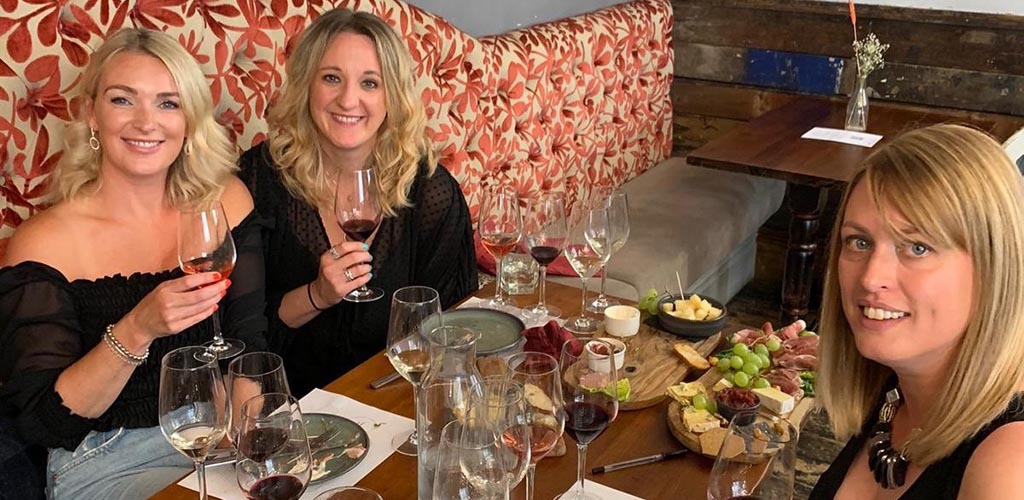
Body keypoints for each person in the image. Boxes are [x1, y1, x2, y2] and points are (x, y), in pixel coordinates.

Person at [0, 28, 267, 500]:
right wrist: (137, 329)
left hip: (219, 435)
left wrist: (250, 440)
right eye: (124, 100)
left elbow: (247, 346)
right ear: (91, 115)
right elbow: (43, 421)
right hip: (108, 456)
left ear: (189, 121)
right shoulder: (45, 242)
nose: (147, 122)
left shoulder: (224, 200)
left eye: (168, 103)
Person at [240, 9, 477, 396]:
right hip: (289, 405)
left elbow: (453, 328)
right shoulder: (259, 181)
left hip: (397, 398)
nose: (348, 100)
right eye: (331, 78)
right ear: (306, 85)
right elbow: (241, 337)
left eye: (370, 83)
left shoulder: (429, 193)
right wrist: (317, 295)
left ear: (392, 96)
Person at [809, 124, 1024, 499]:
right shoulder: (895, 389)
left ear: (995, 266)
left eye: (917, 247)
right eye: (859, 241)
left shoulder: (1009, 464)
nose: (872, 278)